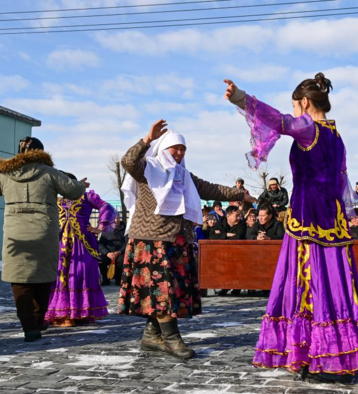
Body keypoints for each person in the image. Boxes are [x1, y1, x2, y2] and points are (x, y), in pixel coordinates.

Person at [225, 73, 358, 382]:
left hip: (309, 217)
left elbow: (279, 121)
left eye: (296, 106)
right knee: (337, 286)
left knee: (311, 285)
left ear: (305, 103)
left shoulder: (309, 127)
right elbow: (341, 182)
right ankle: (339, 353)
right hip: (333, 220)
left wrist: (242, 98)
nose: (295, 111)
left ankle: (326, 358)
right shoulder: (335, 136)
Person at [120, 122, 255, 359]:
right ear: (163, 148)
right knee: (163, 291)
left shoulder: (183, 175)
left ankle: (152, 335)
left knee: (170, 291)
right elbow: (128, 162)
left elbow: (210, 189)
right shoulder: (148, 169)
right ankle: (172, 339)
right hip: (152, 240)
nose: (180, 153)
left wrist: (239, 195)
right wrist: (146, 140)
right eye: (175, 148)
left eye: (183, 149)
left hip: (176, 240)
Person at [0, 138, 86, 342]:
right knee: (43, 278)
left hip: (15, 235)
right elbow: (75, 191)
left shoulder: (3, 174)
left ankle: (28, 327)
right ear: (41, 152)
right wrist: (81, 184)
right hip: (44, 232)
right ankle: (38, 321)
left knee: (20, 281)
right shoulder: (50, 173)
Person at [46, 178, 116, 326]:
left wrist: (100, 227)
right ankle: (63, 313)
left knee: (80, 273)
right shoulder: (57, 200)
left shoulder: (87, 196)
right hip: (60, 242)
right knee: (61, 275)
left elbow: (107, 207)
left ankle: (80, 313)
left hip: (82, 242)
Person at [99, 215, 127, 286]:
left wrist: (119, 251)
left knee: (121, 260)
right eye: (113, 218)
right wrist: (107, 253)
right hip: (108, 252)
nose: (115, 220)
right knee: (101, 260)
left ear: (119, 218)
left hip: (120, 252)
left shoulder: (125, 229)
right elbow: (101, 244)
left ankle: (118, 279)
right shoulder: (106, 229)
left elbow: (127, 243)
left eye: (117, 218)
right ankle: (105, 279)